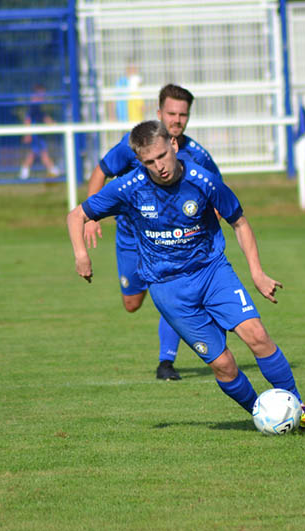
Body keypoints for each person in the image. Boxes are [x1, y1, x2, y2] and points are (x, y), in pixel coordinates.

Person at [67, 120, 305, 431]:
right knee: (224, 365)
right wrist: (81, 254)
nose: (159, 167)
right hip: (168, 289)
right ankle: (265, 414)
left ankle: (300, 408)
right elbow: (76, 215)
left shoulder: (203, 180)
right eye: (149, 162)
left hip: (212, 273)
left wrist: (257, 272)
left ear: (173, 145)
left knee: (258, 336)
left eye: (162, 156)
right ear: (140, 161)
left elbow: (239, 222)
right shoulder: (129, 187)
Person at [84, 84, 222, 381]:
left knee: (172, 291)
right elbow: (101, 171)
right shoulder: (133, 145)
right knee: (132, 304)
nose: (177, 120)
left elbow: (217, 192)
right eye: (171, 113)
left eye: (183, 115)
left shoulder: (197, 154)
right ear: (159, 113)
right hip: (131, 238)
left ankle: (166, 362)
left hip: (172, 243)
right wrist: (92, 217)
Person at [19, 84, 60, 180]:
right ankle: (52, 169)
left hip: (36, 132)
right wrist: (28, 133)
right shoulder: (33, 105)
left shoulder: (37, 106)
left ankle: (25, 172)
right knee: (40, 152)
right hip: (34, 132)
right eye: (42, 94)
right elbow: (29, 119)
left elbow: (42, 116)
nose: (44, 96)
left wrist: (50, 122)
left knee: (35, 152)